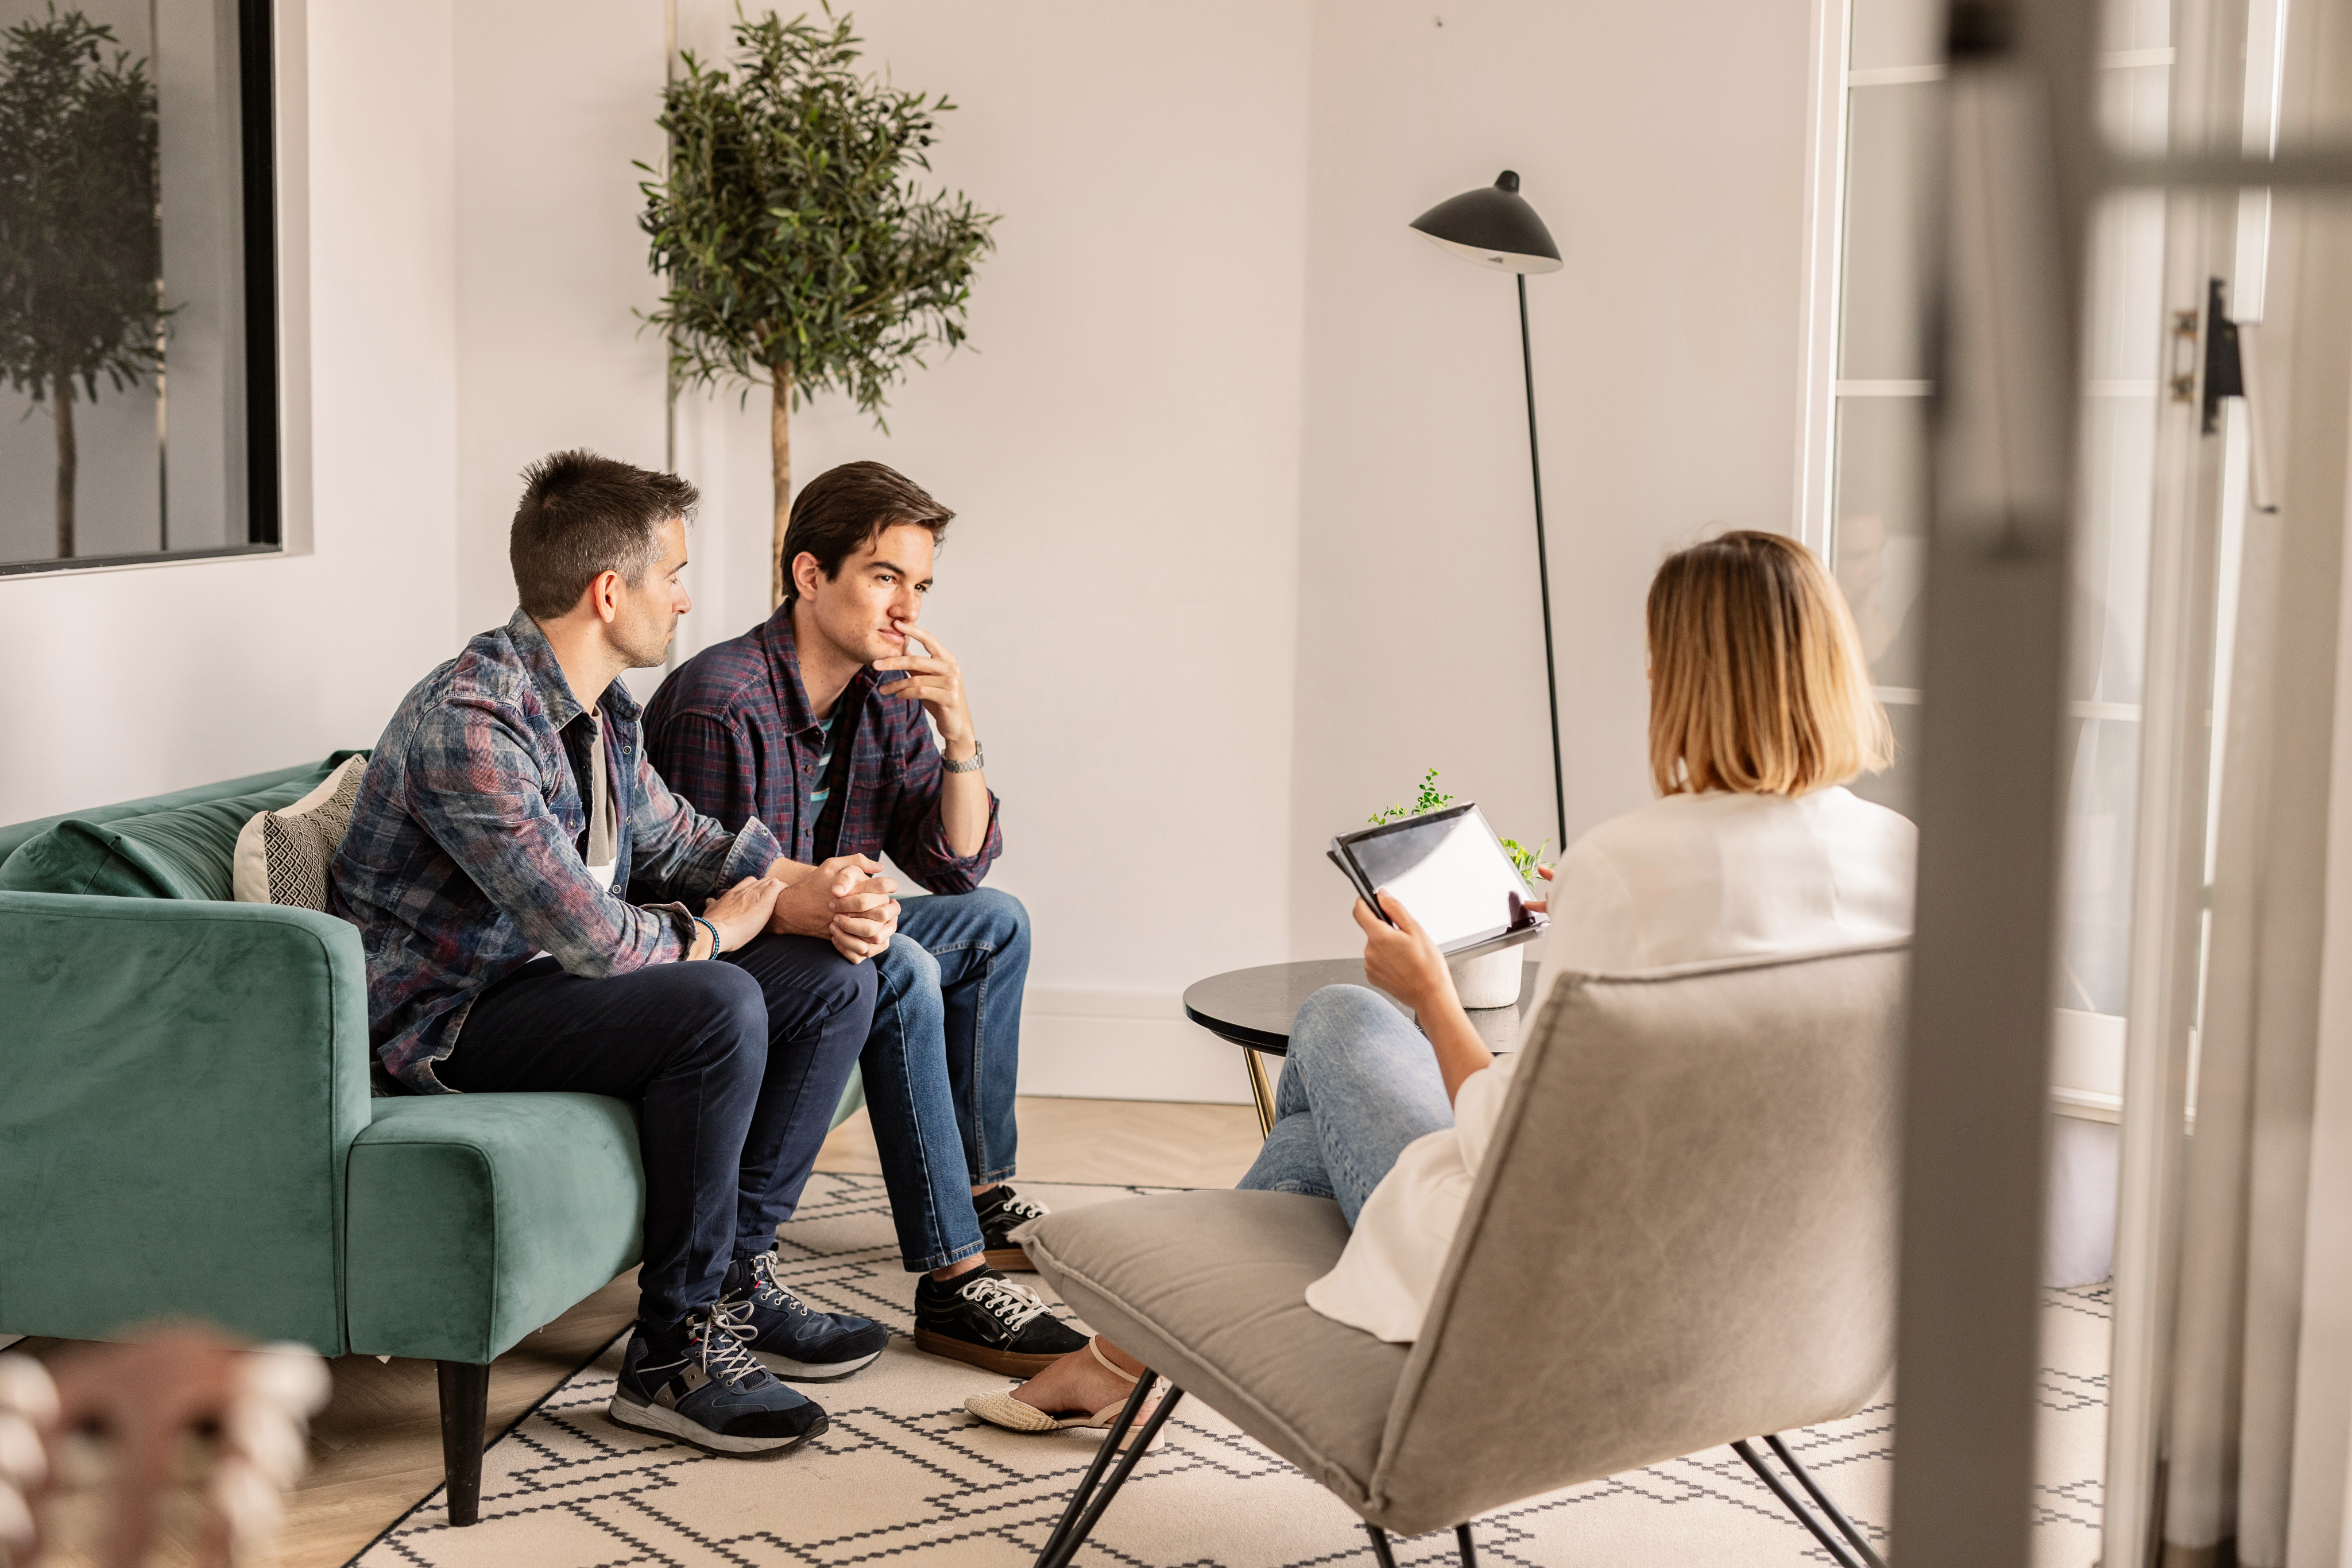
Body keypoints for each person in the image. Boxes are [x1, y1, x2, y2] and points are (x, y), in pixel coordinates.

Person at [965, 529, 1917, 1434]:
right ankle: (1124, 1358)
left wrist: (1429, 993)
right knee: (1308, 1131)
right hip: (1769, 1294)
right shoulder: (1902, 857)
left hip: (1540, 1286)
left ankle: (1130, 1350)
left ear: (1686, 680)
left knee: (1341, 1015)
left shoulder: (1629, 866)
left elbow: (1508, 1133)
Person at [330, 451, 906, 1459]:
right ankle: (668, 1358)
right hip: (447, 1022)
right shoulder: (473, 724)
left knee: (828, 981)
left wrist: (813, 888)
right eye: (673, 575)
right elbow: (600, 942)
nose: (686, 601)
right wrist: (727, 927)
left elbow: (679, 841)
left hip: (535, 988)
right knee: (716, 1001)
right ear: (610, 592)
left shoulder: (602, 715)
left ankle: (733, 1283)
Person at [644, 460, 1088, 1380]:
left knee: (993, 923)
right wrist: (846, 908)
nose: (906, 611)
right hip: (730, 961)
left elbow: (956, 865)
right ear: (810, 576)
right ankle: (954, 1277)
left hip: (831, 928)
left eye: (919, 586)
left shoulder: (884, 696)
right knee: (906, 969)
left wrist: (959, 732)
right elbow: (702, 905)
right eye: (885, 578)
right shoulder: (721, 702)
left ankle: (977, 1191)